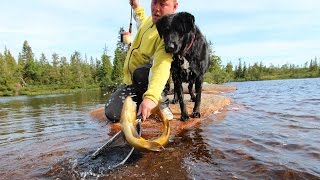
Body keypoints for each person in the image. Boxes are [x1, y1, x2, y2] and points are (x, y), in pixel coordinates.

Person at [105, 0, 178, 122]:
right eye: (154, 2)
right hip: (131, 82)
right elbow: (142, 21)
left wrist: (151, 97)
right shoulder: (150, 21)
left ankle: (160, 103)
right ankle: (141, 101)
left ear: (174, 7)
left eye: (163, 4)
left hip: (150, 80)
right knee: (112, 114)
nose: (156, 9)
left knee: (140, 73)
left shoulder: (168, 33)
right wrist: (136, 6)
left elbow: (162, 65)